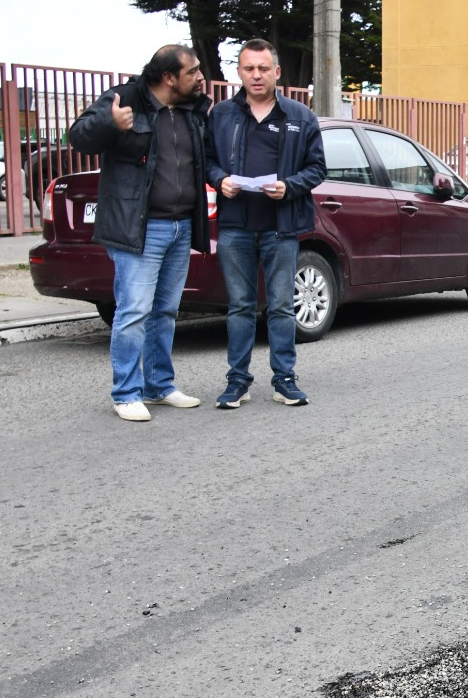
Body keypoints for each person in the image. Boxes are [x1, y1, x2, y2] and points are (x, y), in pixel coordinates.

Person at [68, 45, 211, 422]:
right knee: (134, 312)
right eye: (192, 71)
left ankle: (159, 386)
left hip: (181, 226)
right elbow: (78, 137)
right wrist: (109, 123)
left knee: (165, 311)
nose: (200, 77)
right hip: (140, 228)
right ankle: (126, 393)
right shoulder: (124, 99)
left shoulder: (193, 109)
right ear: (169, 77)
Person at [205, 38, 326, 409]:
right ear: (239, 73)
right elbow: (206, 161)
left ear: (277, 72)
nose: (256, 75)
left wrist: (289, 187)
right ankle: (237, 381)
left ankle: (284, 379)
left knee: (281, 307)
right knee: (240, 306)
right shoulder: (221, 115)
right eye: (249, 68)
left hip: (281, 227)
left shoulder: (300, 116)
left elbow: (318, 168)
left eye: (263, 68)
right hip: (235, 227)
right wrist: (219, 180)